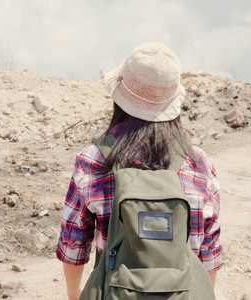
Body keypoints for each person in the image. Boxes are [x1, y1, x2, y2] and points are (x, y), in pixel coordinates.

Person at [56, 42, 223, 300]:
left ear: (119, 99)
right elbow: (209, 254)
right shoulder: (198, 163)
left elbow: (73, 245)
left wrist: (74, 294)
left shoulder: (94, 160)